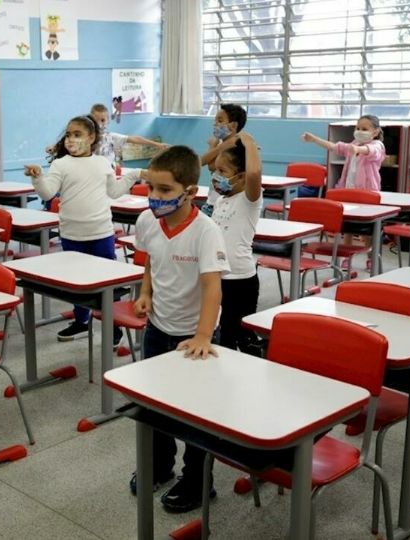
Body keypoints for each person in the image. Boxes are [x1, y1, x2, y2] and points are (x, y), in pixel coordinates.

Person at [130, 145, 229, 513]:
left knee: (195, 412)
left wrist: (203, 335)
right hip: (158, 329)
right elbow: (151, 263)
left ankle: (198, 480)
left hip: (195, 336)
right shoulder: (147, 221)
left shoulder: (206, 231)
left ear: (190, 192)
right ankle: (159, 466)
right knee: (155, 405)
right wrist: (145, 293)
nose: (154, 196)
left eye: (165, 190)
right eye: (151, 188)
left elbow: (212, 287)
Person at [24, 115, 134, 343]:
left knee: (107, 280)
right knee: (77, 281)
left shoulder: (102, 163)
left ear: (92, 138)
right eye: (68, 135)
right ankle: (81, 321)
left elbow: (114, 192)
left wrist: (134, 175)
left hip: (101, 232)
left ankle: (113, 325)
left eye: (77, 134)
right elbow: (47, 193)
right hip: (72, 234)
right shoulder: (61, 164)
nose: (71, 139)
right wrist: (38, 178)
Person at [210, 132, 263, 353]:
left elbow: (254, 172)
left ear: (241, 177)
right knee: (222, 335)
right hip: (217, 276)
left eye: (222, 171)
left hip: (240, 280)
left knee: (240, 334)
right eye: (215, 171)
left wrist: (249, 143)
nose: (216, 176)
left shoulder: (250, 200)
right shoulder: (221, 200)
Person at [301, 114, 385, 191]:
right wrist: (314, 139)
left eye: (364, 129)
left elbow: (371, 150)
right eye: (358, 128)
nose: (360, 131)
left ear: (375, 132)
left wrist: (358, 149)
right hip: (348, 188)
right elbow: (334, 147)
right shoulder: (354, 144)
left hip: (367, 190)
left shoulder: (377, 145)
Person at [199, 103, 248, 216]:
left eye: (220, 121)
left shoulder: (237, 146)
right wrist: (217, 146)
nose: (215, 124)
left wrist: (213, 146)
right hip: (211, 202)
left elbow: (211, 166)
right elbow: (208, 165)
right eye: (215, 120)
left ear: (233, 125)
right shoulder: (221, 144)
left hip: (225, 205)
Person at [88, 103, 168, 167]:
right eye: (95, 120)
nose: (99, 124)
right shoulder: (87, 139)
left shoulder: (111, 137)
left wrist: (158, 144)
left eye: (102, 120)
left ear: (108, 121)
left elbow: (135, 139)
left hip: (109, 171)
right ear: (90, 121)